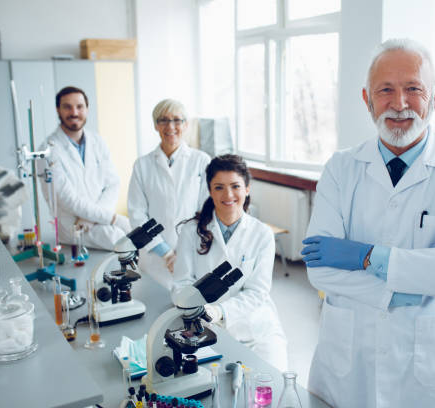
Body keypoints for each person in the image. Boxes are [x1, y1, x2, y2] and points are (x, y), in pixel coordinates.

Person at [301, 39, 435, 408]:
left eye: (413, 89)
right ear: (367, 99)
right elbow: (319, 270)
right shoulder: (341, 168)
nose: (399, 103)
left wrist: (367, 256)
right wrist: (426, 272)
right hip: (349, 362)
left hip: (433, 370)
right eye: (386, 90)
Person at [172, 154, 288, 371]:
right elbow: (181, 283)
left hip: (256, 330)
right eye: (219, 187)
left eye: (235, 186)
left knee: (271, 388)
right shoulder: (191, 231)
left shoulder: (262, 234)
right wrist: (199, 311)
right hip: (205, 330)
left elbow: (257, 292)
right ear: (209, 190)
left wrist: (220, 311)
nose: (228, 195)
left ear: (247, 188)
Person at [128, 99, 210, 290]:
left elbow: (206, 210)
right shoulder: (142, 165)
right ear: (156, 125)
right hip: (155, 258)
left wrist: (183, 253)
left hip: (192, 252)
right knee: (156, 311)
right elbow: (137, 214)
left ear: (186, 125)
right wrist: (166, 253)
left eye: (177, 120)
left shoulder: (201, 161)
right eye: (163, 120)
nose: (170, 126)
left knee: (191, 310)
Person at [42, 86, 131, 251]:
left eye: (79, 107)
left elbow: (112, 184)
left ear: (87, 109)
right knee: (121, 240)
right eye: (67, 107)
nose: (74, 112)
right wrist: (112, 218)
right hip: (73, 226)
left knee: (130, 238)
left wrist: (93, 218)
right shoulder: (49, 149)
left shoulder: (97, 141)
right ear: (58, 110)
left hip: (93, 221)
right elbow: (66, 198)